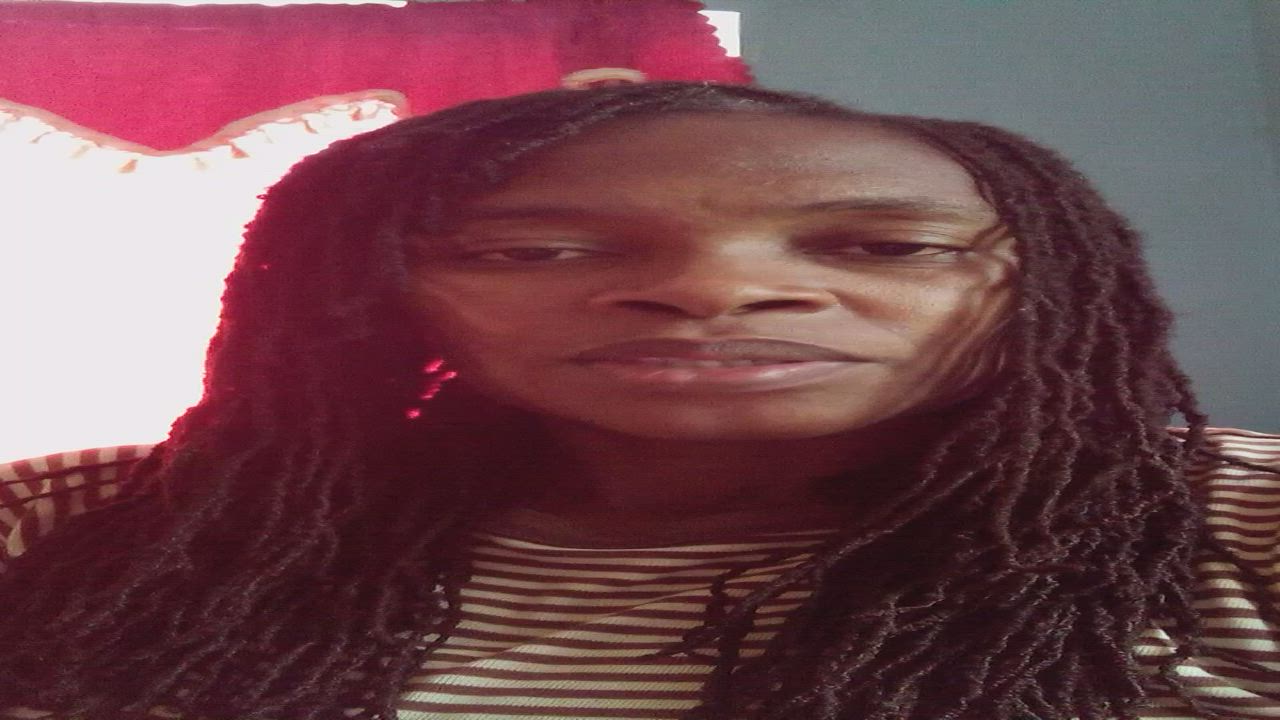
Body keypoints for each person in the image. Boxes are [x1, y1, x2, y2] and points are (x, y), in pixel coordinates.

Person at [0, 81, 1276, 720]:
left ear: (1049, 285)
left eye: (882, 246)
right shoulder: (74, 526)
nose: (711, 292)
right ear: (374, 289)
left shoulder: (1247, 529)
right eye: (535, 250)